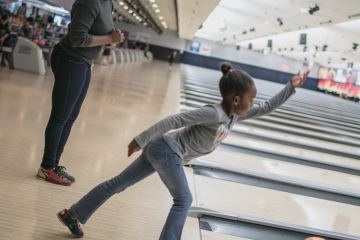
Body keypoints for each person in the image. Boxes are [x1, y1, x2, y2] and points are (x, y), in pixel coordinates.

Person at [57, 63, 309, 238]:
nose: (252, 104)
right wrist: (141, 138)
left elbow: (266, 107)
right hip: (166, 150)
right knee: (184, 200)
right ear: (235, 99)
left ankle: (74, 214)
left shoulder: (234, 117)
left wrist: (291, 86)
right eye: (249, 100)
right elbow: (175, 120)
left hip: (164, 151)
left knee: (118, 183)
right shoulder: (214, 113)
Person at [37, 0, 124, 186]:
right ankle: (46, 167)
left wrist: (112, 39)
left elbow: (101, 35)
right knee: (60, 117)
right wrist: (109, 39)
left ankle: (53, 165)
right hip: (70, 59)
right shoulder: (91, 2)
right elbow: (78, 38)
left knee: (70, 117)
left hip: (84, 62)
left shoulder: (107, 4)